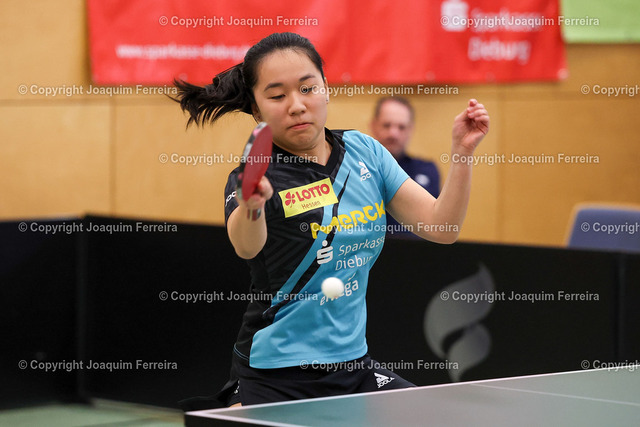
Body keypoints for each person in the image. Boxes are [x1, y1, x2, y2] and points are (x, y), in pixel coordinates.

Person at [172, 32, 489, 408]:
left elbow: (442, 228)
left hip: (353, 369)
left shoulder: (365, 152)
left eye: (307, 88)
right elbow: (245, 245)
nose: (297, 106)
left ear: (326, 89)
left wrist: (462, 153)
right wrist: (253, 204)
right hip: (275, 375)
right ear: (256, 110)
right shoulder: (258, 177)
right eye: (277, 96)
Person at [370, 96, 441, 235]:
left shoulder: (427, 170)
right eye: (386, 125)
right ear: (373, 126)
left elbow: (435, 220)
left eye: (401, 127)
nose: (393, 133)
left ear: (410, 130)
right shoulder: (354, 168)